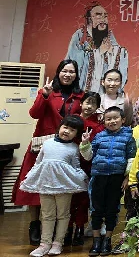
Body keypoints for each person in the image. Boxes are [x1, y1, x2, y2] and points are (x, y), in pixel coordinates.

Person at [12, 59, 84, 247]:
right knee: (36, 187)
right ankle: (35, 226)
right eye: (64, 71)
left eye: (72, 71)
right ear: (58, 72)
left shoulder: (80, 95)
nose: (67, 74)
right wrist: (44, 95)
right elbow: (34, 114)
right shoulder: (48, 91)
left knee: (63, 187)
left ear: (76, 75)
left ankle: (60, 229)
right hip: (43, 145)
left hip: (67, 147)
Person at [20, 115, 88, 257]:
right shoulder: (47, 143)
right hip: (46, 183)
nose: (67, 131)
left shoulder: (74, 148)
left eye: (72, 130)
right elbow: (38, 162)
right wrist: (31, 177)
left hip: (64, 185)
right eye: (65, 127)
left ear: (76, 134)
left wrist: (81, 178)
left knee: (63, 214)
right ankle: (44, 244)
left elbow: (76, 166)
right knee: (46, 214)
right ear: (59, 127)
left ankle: (58, 243)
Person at [80, 106, 136, 257]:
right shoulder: (99, 136)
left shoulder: (128, 136)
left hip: (117, 178)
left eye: (115, 118)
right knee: (96, 209)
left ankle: (107, 240)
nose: (112, 121)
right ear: (104, 121)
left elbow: (131, 159)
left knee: (112, 209)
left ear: (123, 120)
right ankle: (96, 240)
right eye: (108, 119)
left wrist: (127, 178)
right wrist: (85, 143)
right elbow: (88, 156)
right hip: (98, 176)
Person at [66, 2, 128, 93]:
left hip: (105, 91)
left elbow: (118, 56)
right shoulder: (80, 35)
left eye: (105, 16)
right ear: (89, 19)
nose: (103, 19)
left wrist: (112, 52)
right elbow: (73, 61)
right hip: (84, 90)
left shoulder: (109, 36)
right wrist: (99, 52)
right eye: (98, 15)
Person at [67, 92, 104, 246]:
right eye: (87, 102)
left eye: (93, 104)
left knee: (83, 199)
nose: (89, 106)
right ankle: (67, 229)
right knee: (69, 198)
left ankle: (80, 229)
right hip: (70, 163)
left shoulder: (99, 126)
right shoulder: (72, 120)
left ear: (97, 107)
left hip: (88, 166)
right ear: (81, 103)